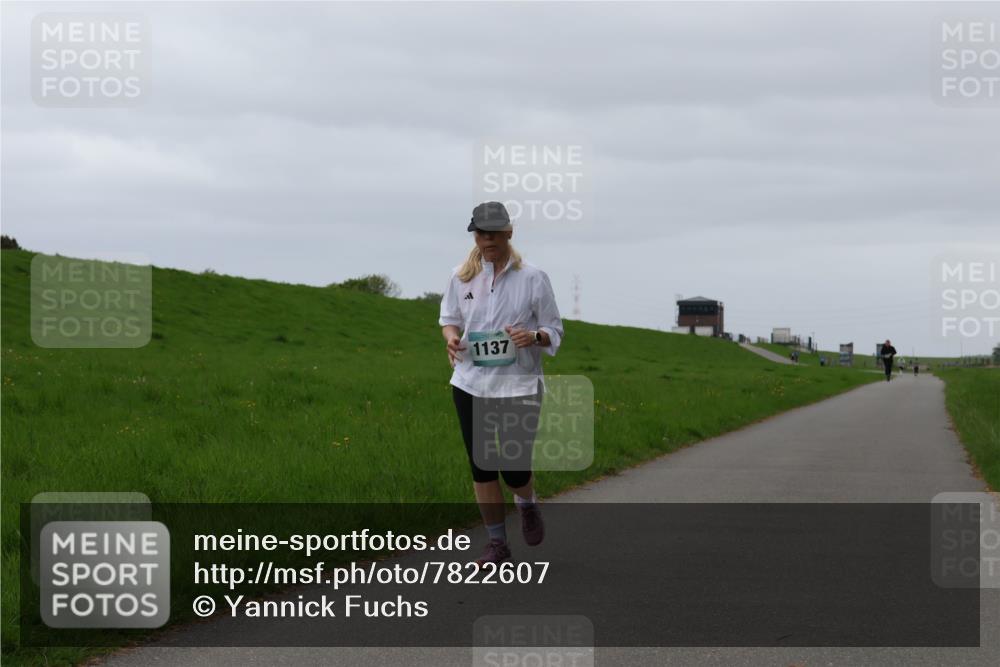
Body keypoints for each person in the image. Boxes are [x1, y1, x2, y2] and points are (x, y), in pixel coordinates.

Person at [439, 202, 564, 567]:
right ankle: (497, 545)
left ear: (509, 232)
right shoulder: (460, 277)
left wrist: (535, 336)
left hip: (518, 385)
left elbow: (555, 329)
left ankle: (526, 502)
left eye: (494, 232)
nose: (487, 239)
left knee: (513, 468)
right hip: (470, 382)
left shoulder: (533, 278)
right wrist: (450, 338)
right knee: (482, 465)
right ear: (474, 236)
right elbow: (449, 320)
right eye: (481, 233)